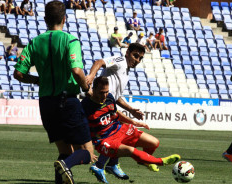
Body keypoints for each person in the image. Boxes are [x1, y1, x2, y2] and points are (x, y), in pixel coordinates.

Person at [13, 1, 97, 184]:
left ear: (45, 20)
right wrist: (86, 87)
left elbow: (18, 73)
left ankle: (63, 169)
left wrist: (37, 80)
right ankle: (66, 166)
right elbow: (76, 70)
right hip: (67, 101)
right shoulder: (70, 40)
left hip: (46, 103)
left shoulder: (34, 43)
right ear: (64, 19)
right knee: (87, 153)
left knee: (65, 152)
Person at [82, 76, 181, 183]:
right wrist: (87, 148)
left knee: (154, 142)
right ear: (94, 89)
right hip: (104, 140)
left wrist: (134, 122)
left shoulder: (109, 98)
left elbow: (115, 114)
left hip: (120, 129)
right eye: (101, 92)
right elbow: (80, 127)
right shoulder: (85, 105)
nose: (104, 95)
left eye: (106, 92)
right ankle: (160, 161)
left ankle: (144, 161)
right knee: (130, 151)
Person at [85, 43, 146, 183]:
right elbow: (99, 62)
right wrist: (91, 76)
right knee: (116, 133)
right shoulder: (120, 61)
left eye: (140, 58)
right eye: (135, 55)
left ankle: (111, 164)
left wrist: (131, 110)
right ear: (127, 52)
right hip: (100, 105)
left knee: (116, 133)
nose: (137, 60)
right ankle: (101, 165)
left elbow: (116, 96)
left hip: (108, 105)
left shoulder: (126, 73)